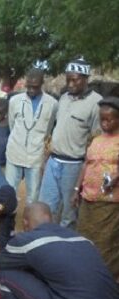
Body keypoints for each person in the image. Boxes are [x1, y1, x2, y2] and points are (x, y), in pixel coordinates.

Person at [38, 58, 102, 228]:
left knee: (69, 213)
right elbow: (53, 130)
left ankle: (65, 242)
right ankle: (46, 239)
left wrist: (85, 171)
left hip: (74, 166)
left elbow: (96, 140)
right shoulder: (63, 98)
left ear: (86, 79)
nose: (71, 84)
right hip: (53, 161)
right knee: (45, 207)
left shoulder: (96, 103)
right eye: (68, 80)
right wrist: (45, 159)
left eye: (75, 80)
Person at [72, 97, 119, 279]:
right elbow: (86, 164)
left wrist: (115, 177)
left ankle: (104, 278)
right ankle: (84, 272)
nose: (105, 123)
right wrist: (76, 190)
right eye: (102, 119)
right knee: (85, 236)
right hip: (88, 198)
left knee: (106, 242)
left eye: (109, 119)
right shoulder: (96, 139)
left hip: (109, 203)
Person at [6, 68, 58, 205]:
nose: (31, 90)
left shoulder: (52, 104)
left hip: (36, 156)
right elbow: (12, 124)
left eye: (35, 87)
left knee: (33, 195)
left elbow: (49, 130)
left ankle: (30, 219)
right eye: (28, 86)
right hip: (14, 152)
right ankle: (9, 218)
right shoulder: (15, 101)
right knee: (9, 192)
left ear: (42, 84)